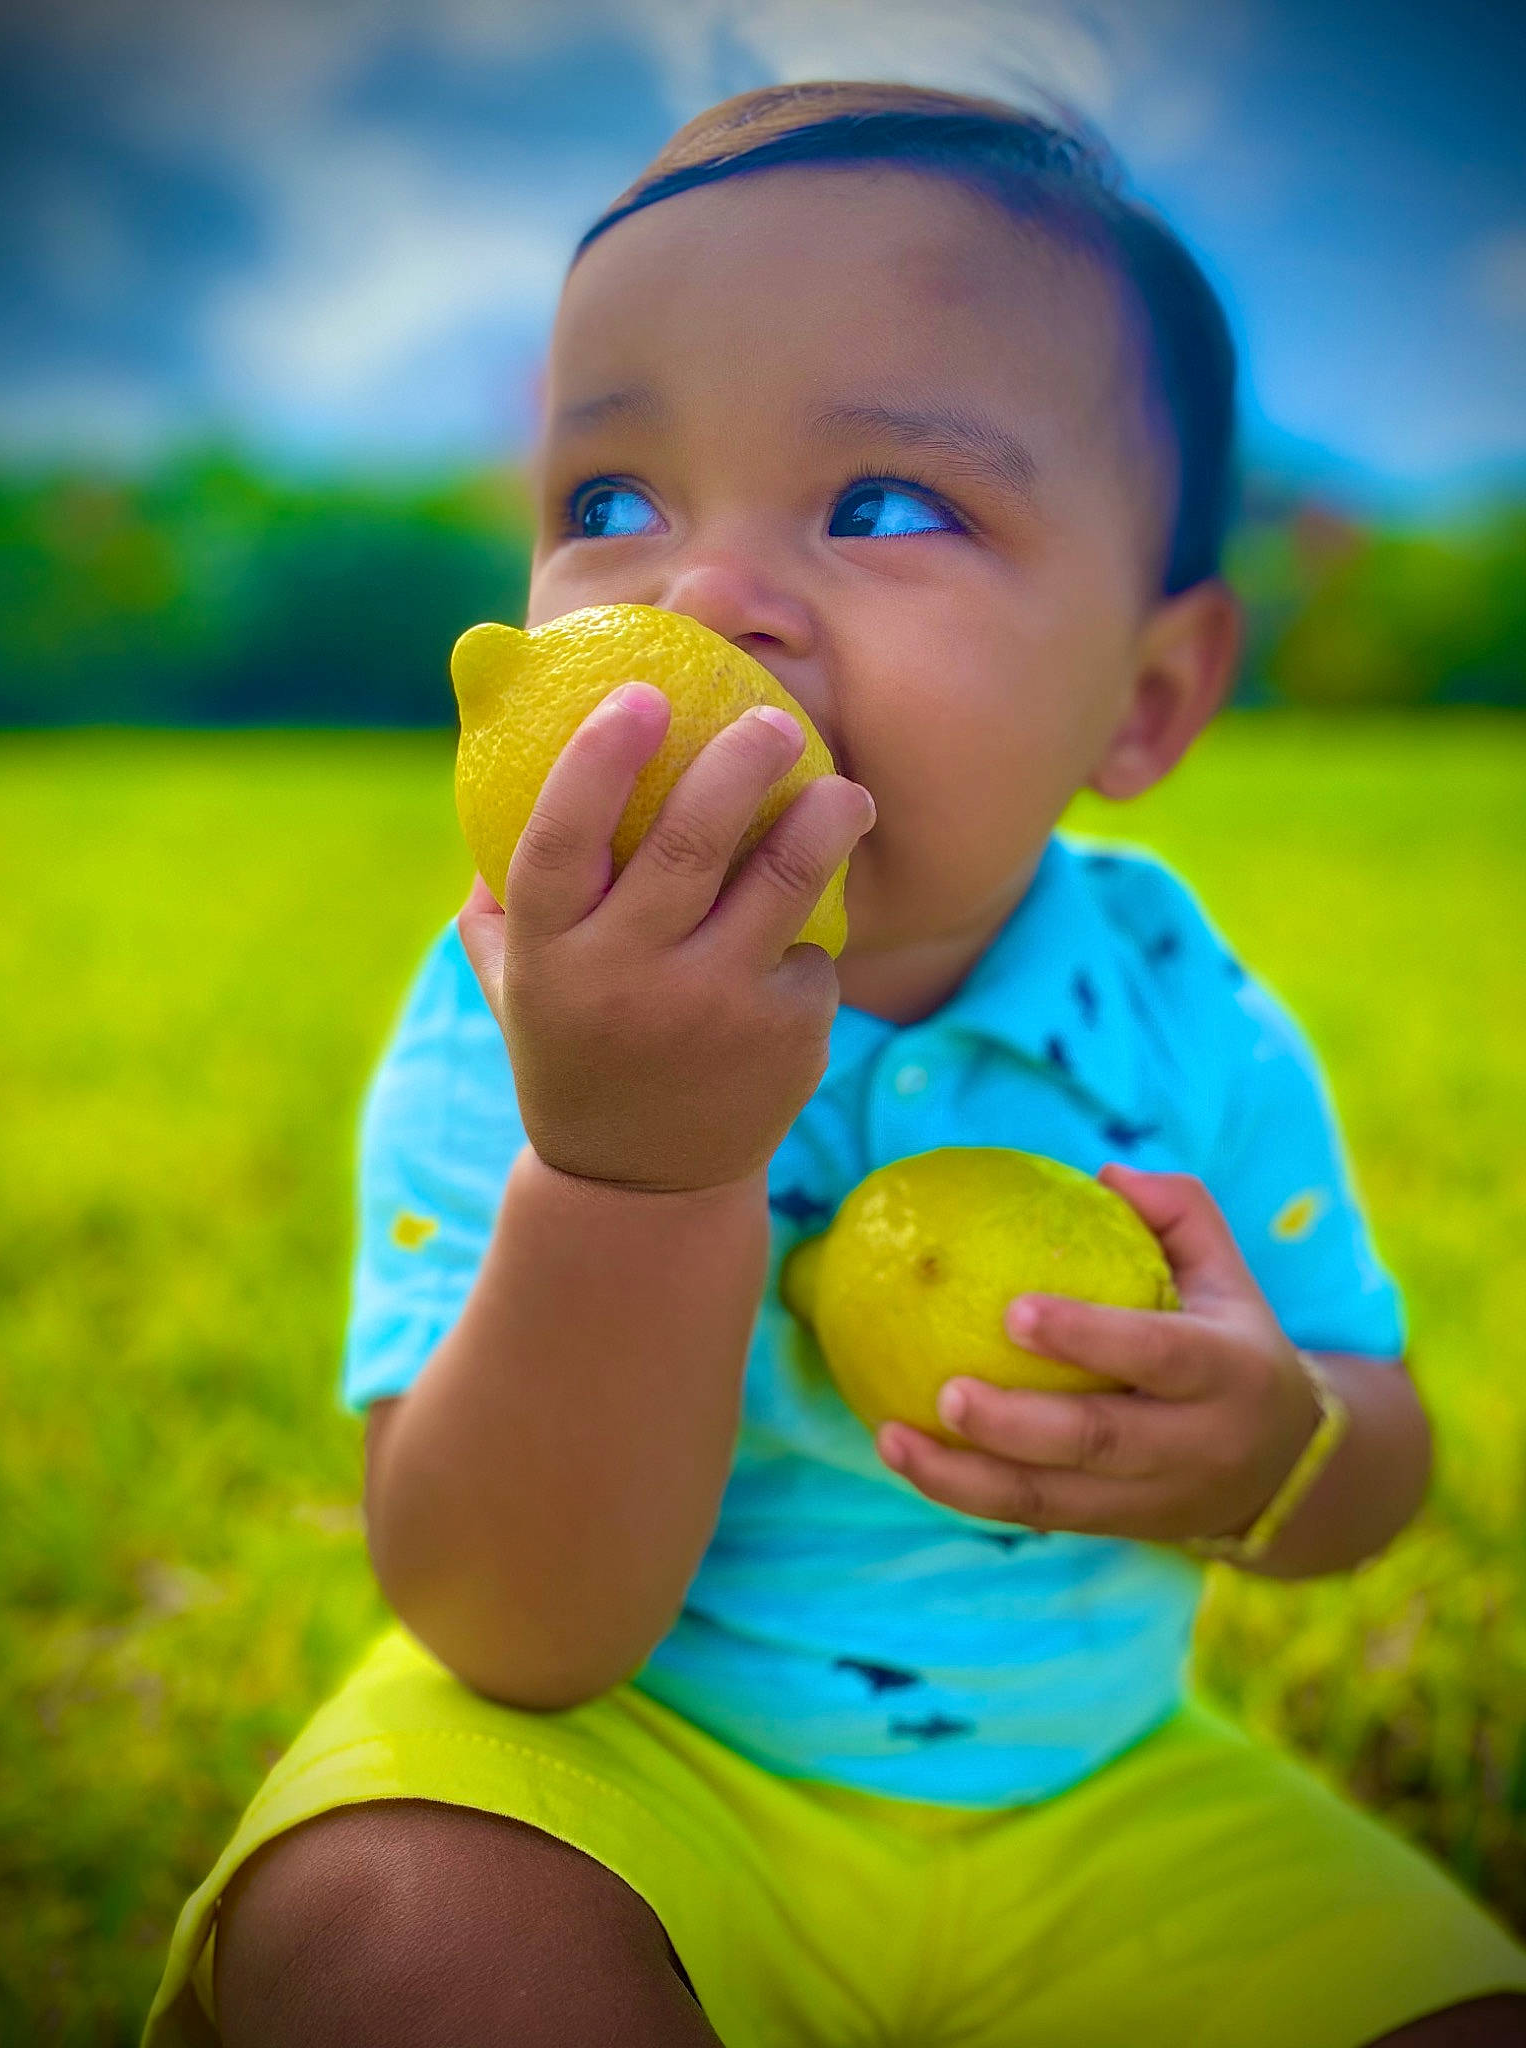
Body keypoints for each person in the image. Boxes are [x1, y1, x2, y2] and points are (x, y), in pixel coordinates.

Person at [145, 80, 1526, 2048]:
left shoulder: (1176, 1007)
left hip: (1100, 1803)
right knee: (396, 1928)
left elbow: (1374, 1463)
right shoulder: (510, 1008)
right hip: (621, 1773)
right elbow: (509, 1624)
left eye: (883, 505)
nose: (697, 598)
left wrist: (1263, 1444)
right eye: (607, 505)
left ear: (1147, 696)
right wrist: (632, 1165)